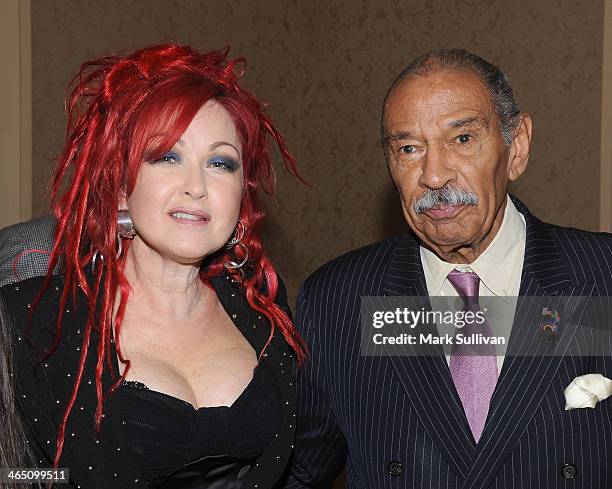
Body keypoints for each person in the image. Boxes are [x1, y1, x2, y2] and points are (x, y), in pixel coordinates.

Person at [284, 49, 612, 488]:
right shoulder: (338, 301)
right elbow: (299, 472)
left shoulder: (601, 277)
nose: (434, 175)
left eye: (462, 139)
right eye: (408, 148)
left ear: (517, 147)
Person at [1, 43, 305, 488]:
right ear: (121, 185)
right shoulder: (31, 318)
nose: (196, 187)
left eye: (220, 163)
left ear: (242, 194)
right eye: (167, 156)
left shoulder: (263, 307)